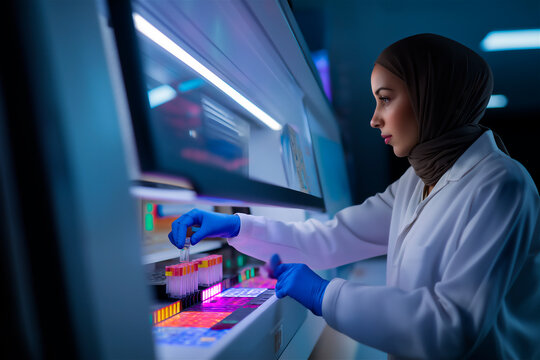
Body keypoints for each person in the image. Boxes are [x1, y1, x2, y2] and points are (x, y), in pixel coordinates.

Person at [168, 34, 540, 359]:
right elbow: (332, 238)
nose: (375, 119)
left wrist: (325, 295)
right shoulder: (416, 181)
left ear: (432, 97)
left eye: (386, 99)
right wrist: (235, 226)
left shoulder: (501, 185)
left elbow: (451, 326)